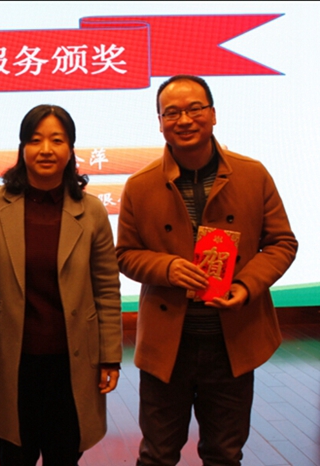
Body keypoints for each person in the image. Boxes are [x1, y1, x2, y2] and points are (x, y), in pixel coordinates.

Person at [116, 75, 298, 465]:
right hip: (169, 345)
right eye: (172, 112)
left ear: (213, 114)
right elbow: (125, 254)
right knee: (157, 454)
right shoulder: (140, 185)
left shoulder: (253, 174)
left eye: (195, 109)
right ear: (160, 122)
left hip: (232, 340)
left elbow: (282, 243)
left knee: (224, 454)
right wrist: (166, 268)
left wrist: (245, 286)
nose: (184, 120)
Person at [0, 104, 122, 465]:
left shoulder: (91, 211)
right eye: (35, 140)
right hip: (10, 360)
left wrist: (110, 356)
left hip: (72, 363)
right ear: (22, 147)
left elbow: (106, 287)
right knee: (14, 456)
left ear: (71, 149)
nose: (46, 150)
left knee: (64, 455)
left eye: (57, 140)